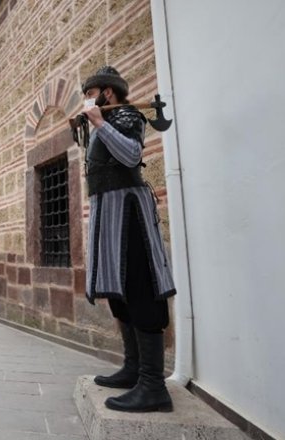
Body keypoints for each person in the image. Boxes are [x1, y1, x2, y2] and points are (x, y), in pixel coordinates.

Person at [79, 66, 177, 413]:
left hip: (129, 214)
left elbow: (132, 155)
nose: (87, 99)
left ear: (107, 92)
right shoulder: (105, 119)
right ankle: (133, 369)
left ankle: (153, 386)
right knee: (120, 293)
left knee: (139, 286)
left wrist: (99, 123)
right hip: (108, 214)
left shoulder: (128, 115)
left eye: (91, 93)